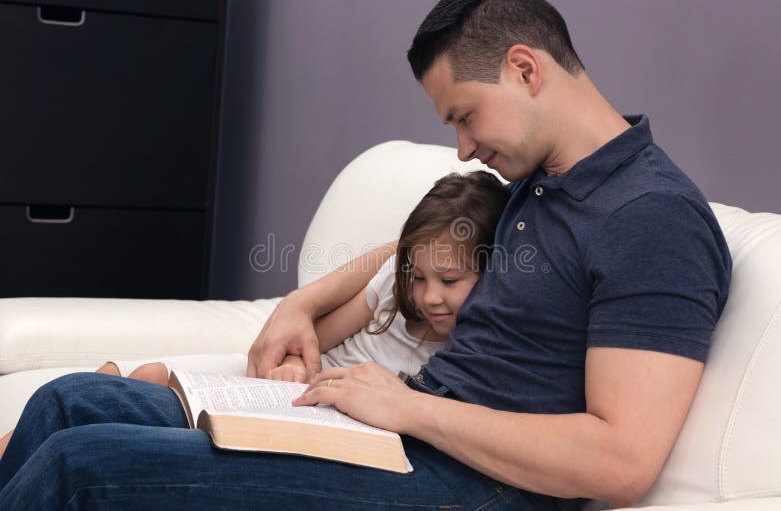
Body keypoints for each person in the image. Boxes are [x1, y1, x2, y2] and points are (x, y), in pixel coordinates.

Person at [0, 0, 732, 509]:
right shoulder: (542, 184)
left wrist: (411, 410)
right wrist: (301, 301)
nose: (462, 148)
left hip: (470, 484)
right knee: (71, 402)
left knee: (79, 464)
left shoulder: (651, 218)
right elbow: (405, 251)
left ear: (525, 69)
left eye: (466, 116)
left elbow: (622, 461)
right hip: (398, 440)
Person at [0, 170, 509, 454]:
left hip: (325, 413)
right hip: (294, 382)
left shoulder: (470, 356)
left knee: (140, 394)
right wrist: (290, 368)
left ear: (491, 272)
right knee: (122, 377)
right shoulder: (393, 289)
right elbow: (323, 337)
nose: (429, 297)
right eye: (419, 278)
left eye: (449, 282)